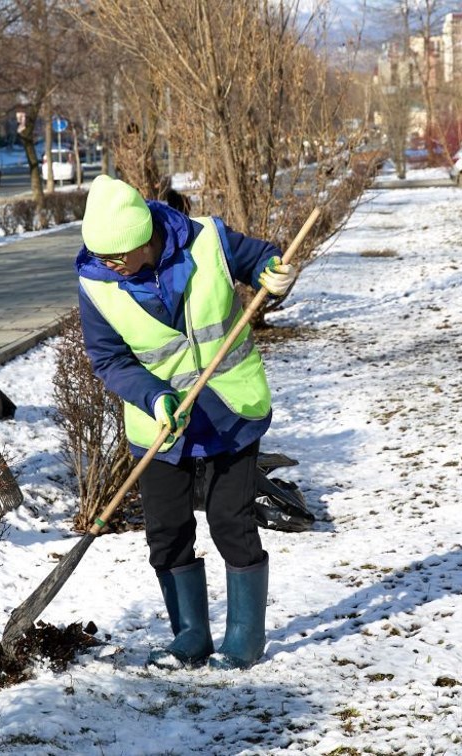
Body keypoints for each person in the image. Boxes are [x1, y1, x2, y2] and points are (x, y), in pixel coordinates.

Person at [75, 175, 298, 670]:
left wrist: (275, 275)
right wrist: (154, 398)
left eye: (117, 257)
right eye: (101, 257)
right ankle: (190, 634)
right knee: (167, 531)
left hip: (229, 409)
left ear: (143, 238)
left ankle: (244, 636)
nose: (108, 266)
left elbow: (263, 260)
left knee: (230, 522)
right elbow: (109, 360)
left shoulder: (208, 239)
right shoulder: (96, 281)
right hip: (159, 423)